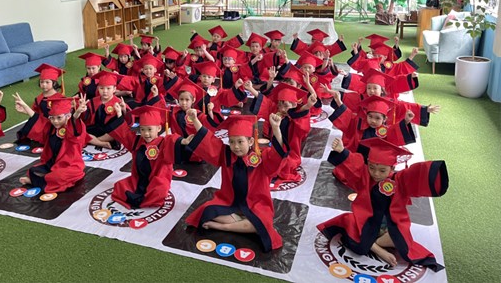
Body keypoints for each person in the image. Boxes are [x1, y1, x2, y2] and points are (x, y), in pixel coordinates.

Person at [317, 137, 448, 271]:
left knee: (399, 238)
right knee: (352, 231)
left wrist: (434, 174)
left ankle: (374, 243)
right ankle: (377, 248)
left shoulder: (400, 180)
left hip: (388, 225)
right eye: (372, 168)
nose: (376, 173)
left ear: (392, 167)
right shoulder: (365, 176)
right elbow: (355, 165)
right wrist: (342, 151)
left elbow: (416, 175)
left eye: (382, 170)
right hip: (366, 220)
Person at [185, 114, 289, 252]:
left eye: (240, 142)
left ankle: (223, 227)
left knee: (264, 223)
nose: (236, 146)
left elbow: (277, 156)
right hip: (228, 201)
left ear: (250, 141)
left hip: (256, 203)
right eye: (232, 142)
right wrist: (195, 120)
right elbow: (208, 141)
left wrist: (276, 128)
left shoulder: (261, 157)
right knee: (207, 210)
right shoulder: (226, 154)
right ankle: (244, 225)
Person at [88, 104, 201, 208]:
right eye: (142, 129)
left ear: (158, 128)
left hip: (158, 179)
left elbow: (173, 140)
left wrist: (184, 141)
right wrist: (118, 115)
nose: (146, 133)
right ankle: (141, 198)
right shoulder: (136, 141)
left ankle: (143, 199)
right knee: (120, 186)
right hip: (138, 179)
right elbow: (124, 133)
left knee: (159, 191)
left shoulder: (163, 142)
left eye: (150, 129)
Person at [13, 93, 88, 193]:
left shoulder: (72, 128)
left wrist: (77, 113)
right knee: (32, 170)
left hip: (70, 165)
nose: (55, 121)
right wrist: (25, 106)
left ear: (68, 116)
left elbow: (75, 123)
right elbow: (38, 121)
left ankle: (37, 182)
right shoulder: (51, 127)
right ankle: (43, 180)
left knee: (58, 176)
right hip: (53, 164)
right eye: (52, 117)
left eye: (59, 118)